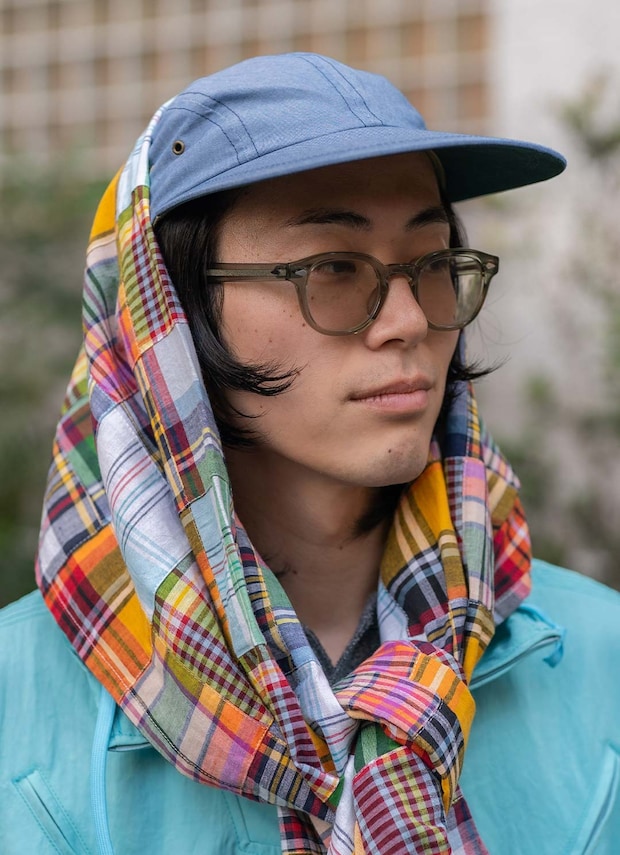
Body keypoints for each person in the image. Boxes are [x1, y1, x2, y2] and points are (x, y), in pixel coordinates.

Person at [1, 53, 619, 855]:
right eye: (333, 267)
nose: (408, 320)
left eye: (433, 263)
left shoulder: (600, 657)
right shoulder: (20, 703)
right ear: (169, 316)